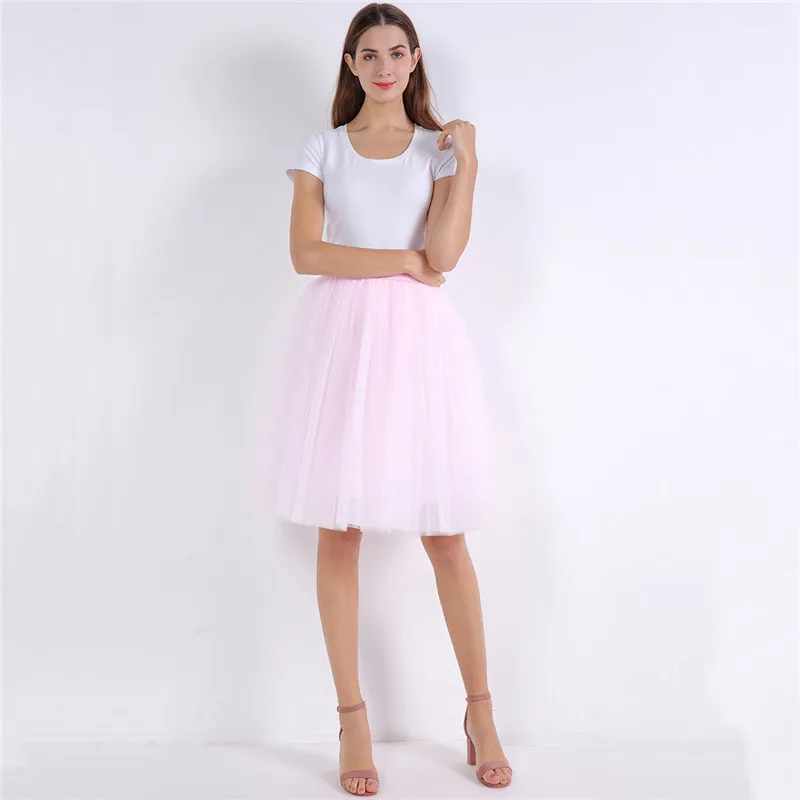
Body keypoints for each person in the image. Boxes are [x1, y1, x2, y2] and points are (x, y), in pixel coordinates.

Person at [269, 3, 512, 795]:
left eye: (396, 52)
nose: (383, 66)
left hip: (417, 347)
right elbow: (307, 253)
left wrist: (466, 165)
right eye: (368, 54)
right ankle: (352, 718)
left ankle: (481, 713)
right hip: (340, 343)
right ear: (350, 63)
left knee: (445, 533)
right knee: (340, 529)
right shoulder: (323, 147)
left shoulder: (438, 149)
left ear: (414, 60)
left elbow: (445, 254)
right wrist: (403, 261)